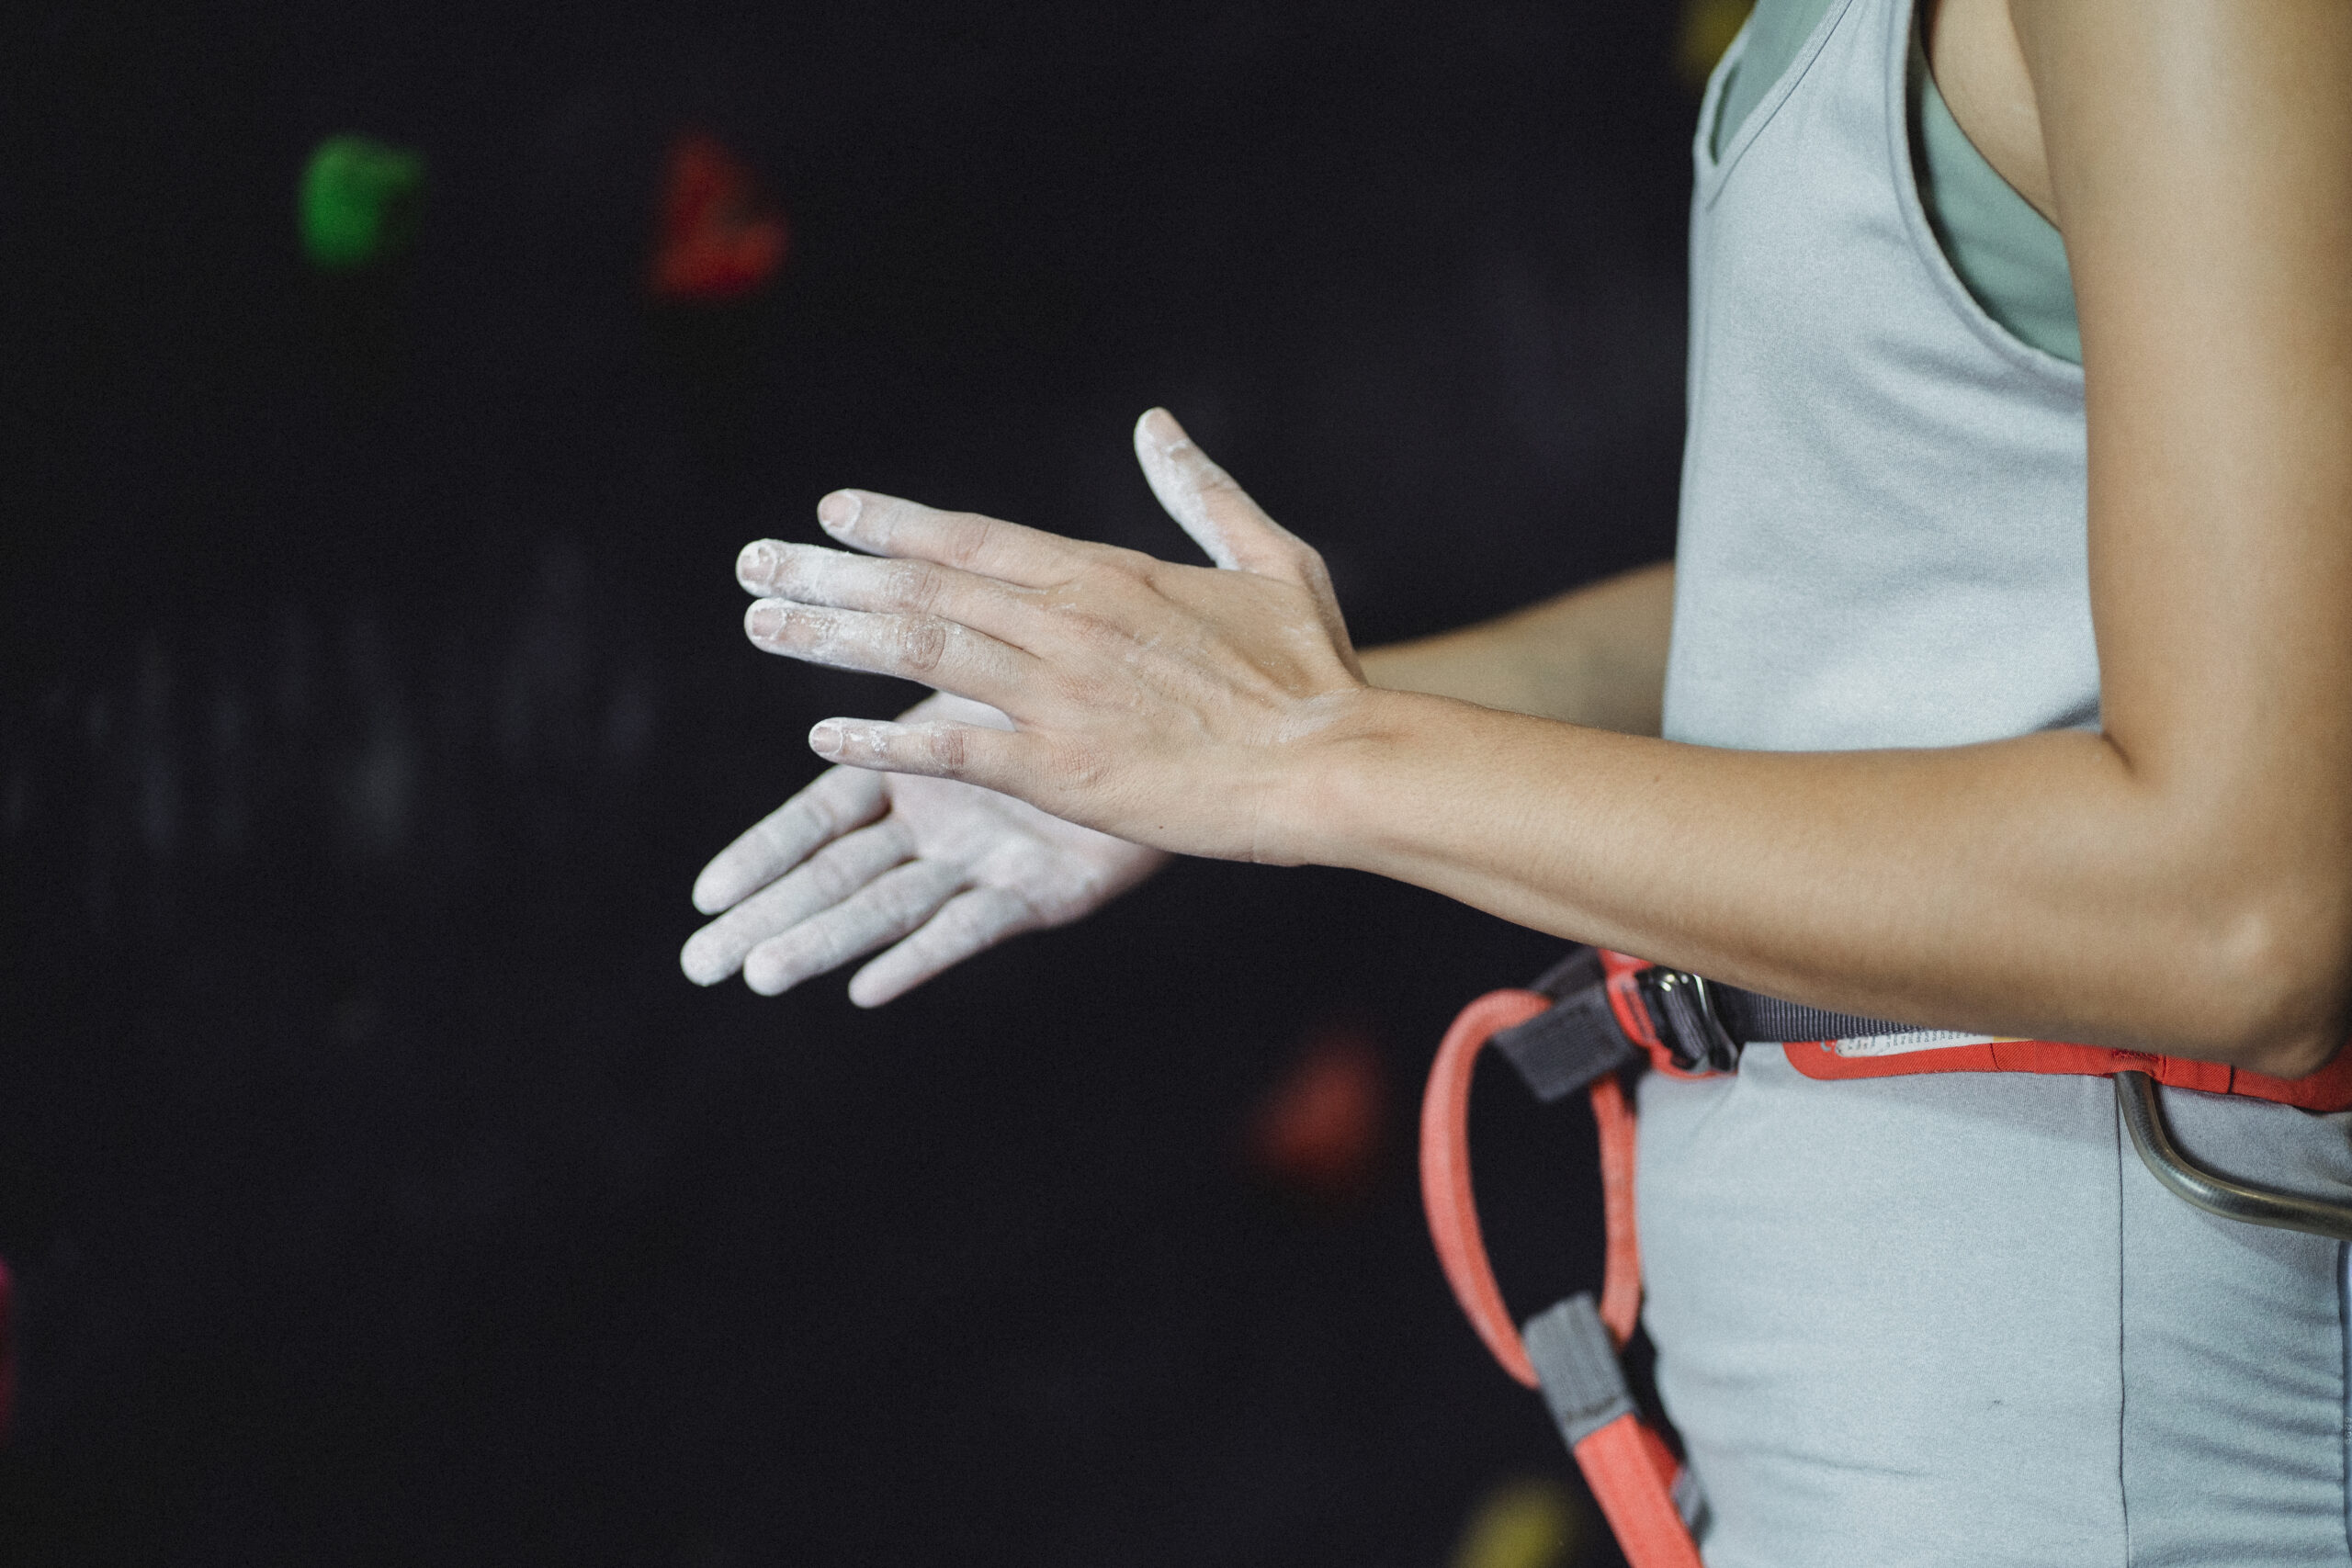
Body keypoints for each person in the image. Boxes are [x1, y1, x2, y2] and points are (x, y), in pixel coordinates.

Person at [680, 0, 2352, 1559]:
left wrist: (1318, 758)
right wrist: (1219, 726)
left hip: (2092, 1434)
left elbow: (2242, 917)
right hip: (1916, 1412)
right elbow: (1879, 585)